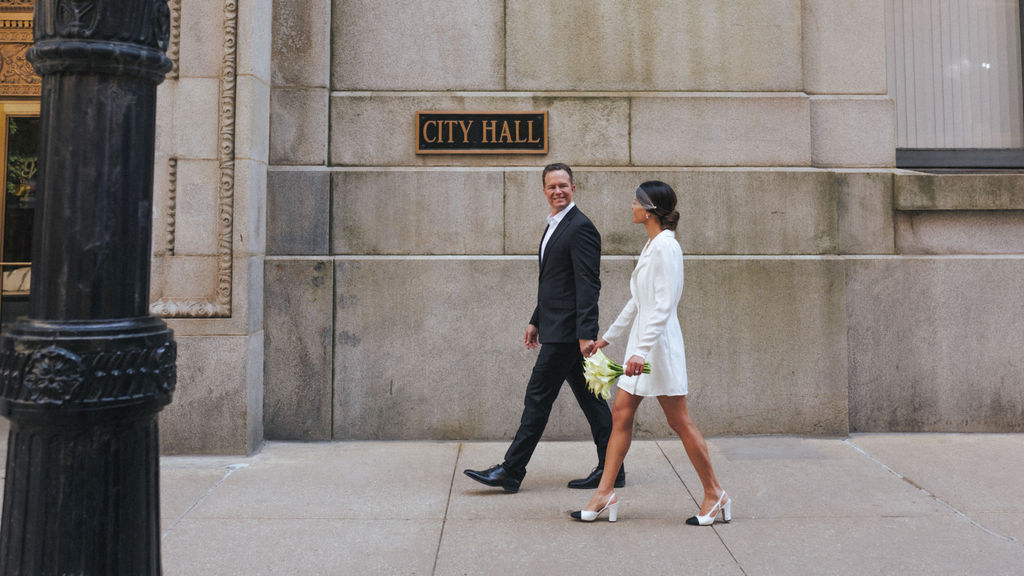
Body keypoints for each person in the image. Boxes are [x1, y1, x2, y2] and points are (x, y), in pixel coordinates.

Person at [571, 180, 729, 525]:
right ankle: (604, 493)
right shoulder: (652, 245)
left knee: (678, 420)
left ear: (650, 210)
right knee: (621, 413)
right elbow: (638, 301)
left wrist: (640, 351)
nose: (631, 206)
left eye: (636, 201)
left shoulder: (666, 247)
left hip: (658, 347)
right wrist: (607, 339)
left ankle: (714, 492)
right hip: (642, 346)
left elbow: (664, 304)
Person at [464, 163, 624, 493]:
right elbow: (554, 283)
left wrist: (586, 333)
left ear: (573, 188)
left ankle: (512, 470)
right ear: (544, 191)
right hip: (557, 328)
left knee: (537, 398)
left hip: (567, 335)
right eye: (552, 186)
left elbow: (588, 284)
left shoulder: (580, 227)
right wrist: (536, 320)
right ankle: (614, 470)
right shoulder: (555, 225)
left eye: (563, 185)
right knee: (592, 401)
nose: (558, 191)